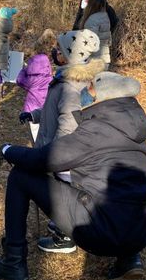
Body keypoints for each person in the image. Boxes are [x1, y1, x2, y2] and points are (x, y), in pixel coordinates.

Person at [0, 72, 146, 280]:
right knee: (121, 191)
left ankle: (13, 263)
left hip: (101, 233)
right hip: (140, 234)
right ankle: (129, 260)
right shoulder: (135, 132)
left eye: (91, 86)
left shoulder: (96, 130)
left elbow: (43, 159)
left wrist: (7, 149)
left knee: (21, 176)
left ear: (105, 96)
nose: (85, 91)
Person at [18, 29, 104, 253]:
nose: (54, 52)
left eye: (59, 49)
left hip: (63, 157)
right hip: (59, 150)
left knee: (62, 194)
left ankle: (64, 237)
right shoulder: (66, 80)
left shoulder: (70, 87)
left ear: (67, 56)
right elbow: (53, 110)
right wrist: (35, 115)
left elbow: (68, 124)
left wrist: (53, 156)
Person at [15, 29, 56, 142]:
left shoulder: (31, 79)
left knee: (35, 136)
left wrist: (24, 69)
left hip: (31, 109)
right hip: (46, 108)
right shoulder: (50, 77)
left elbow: (19, 80)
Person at [78, 0, 112, 68]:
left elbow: (89, 42)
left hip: (94, 61)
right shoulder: (104, 16)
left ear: (91, 3)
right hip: (104, 59)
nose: (84, 1)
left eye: (86, 0)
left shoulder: (92, 20)